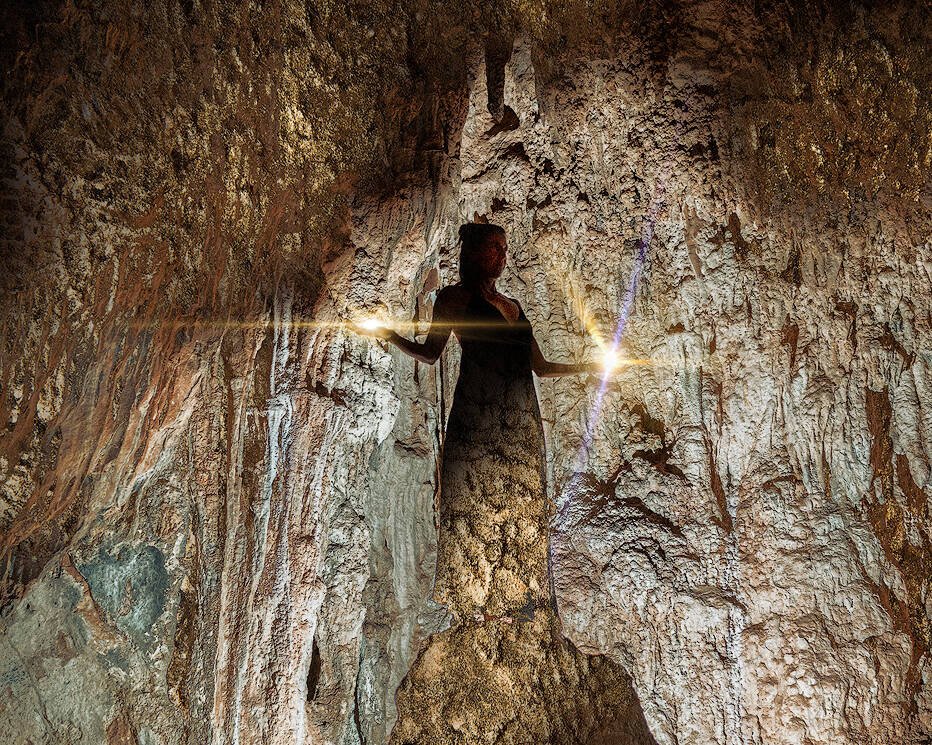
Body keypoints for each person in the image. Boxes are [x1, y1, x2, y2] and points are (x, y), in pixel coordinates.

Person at [359, 222, 607, 625]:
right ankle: (472, 603)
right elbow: (430, 353)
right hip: (476, 411)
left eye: (504, 249)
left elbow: (540, 368)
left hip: (519, 416)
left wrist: (585, 368)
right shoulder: (453, 299)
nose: (501, 256)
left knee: (521, 498)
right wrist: (390, 336)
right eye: (494, 248)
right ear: (472, 253)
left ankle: (522, 600)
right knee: (474, 496)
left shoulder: (513, 306)